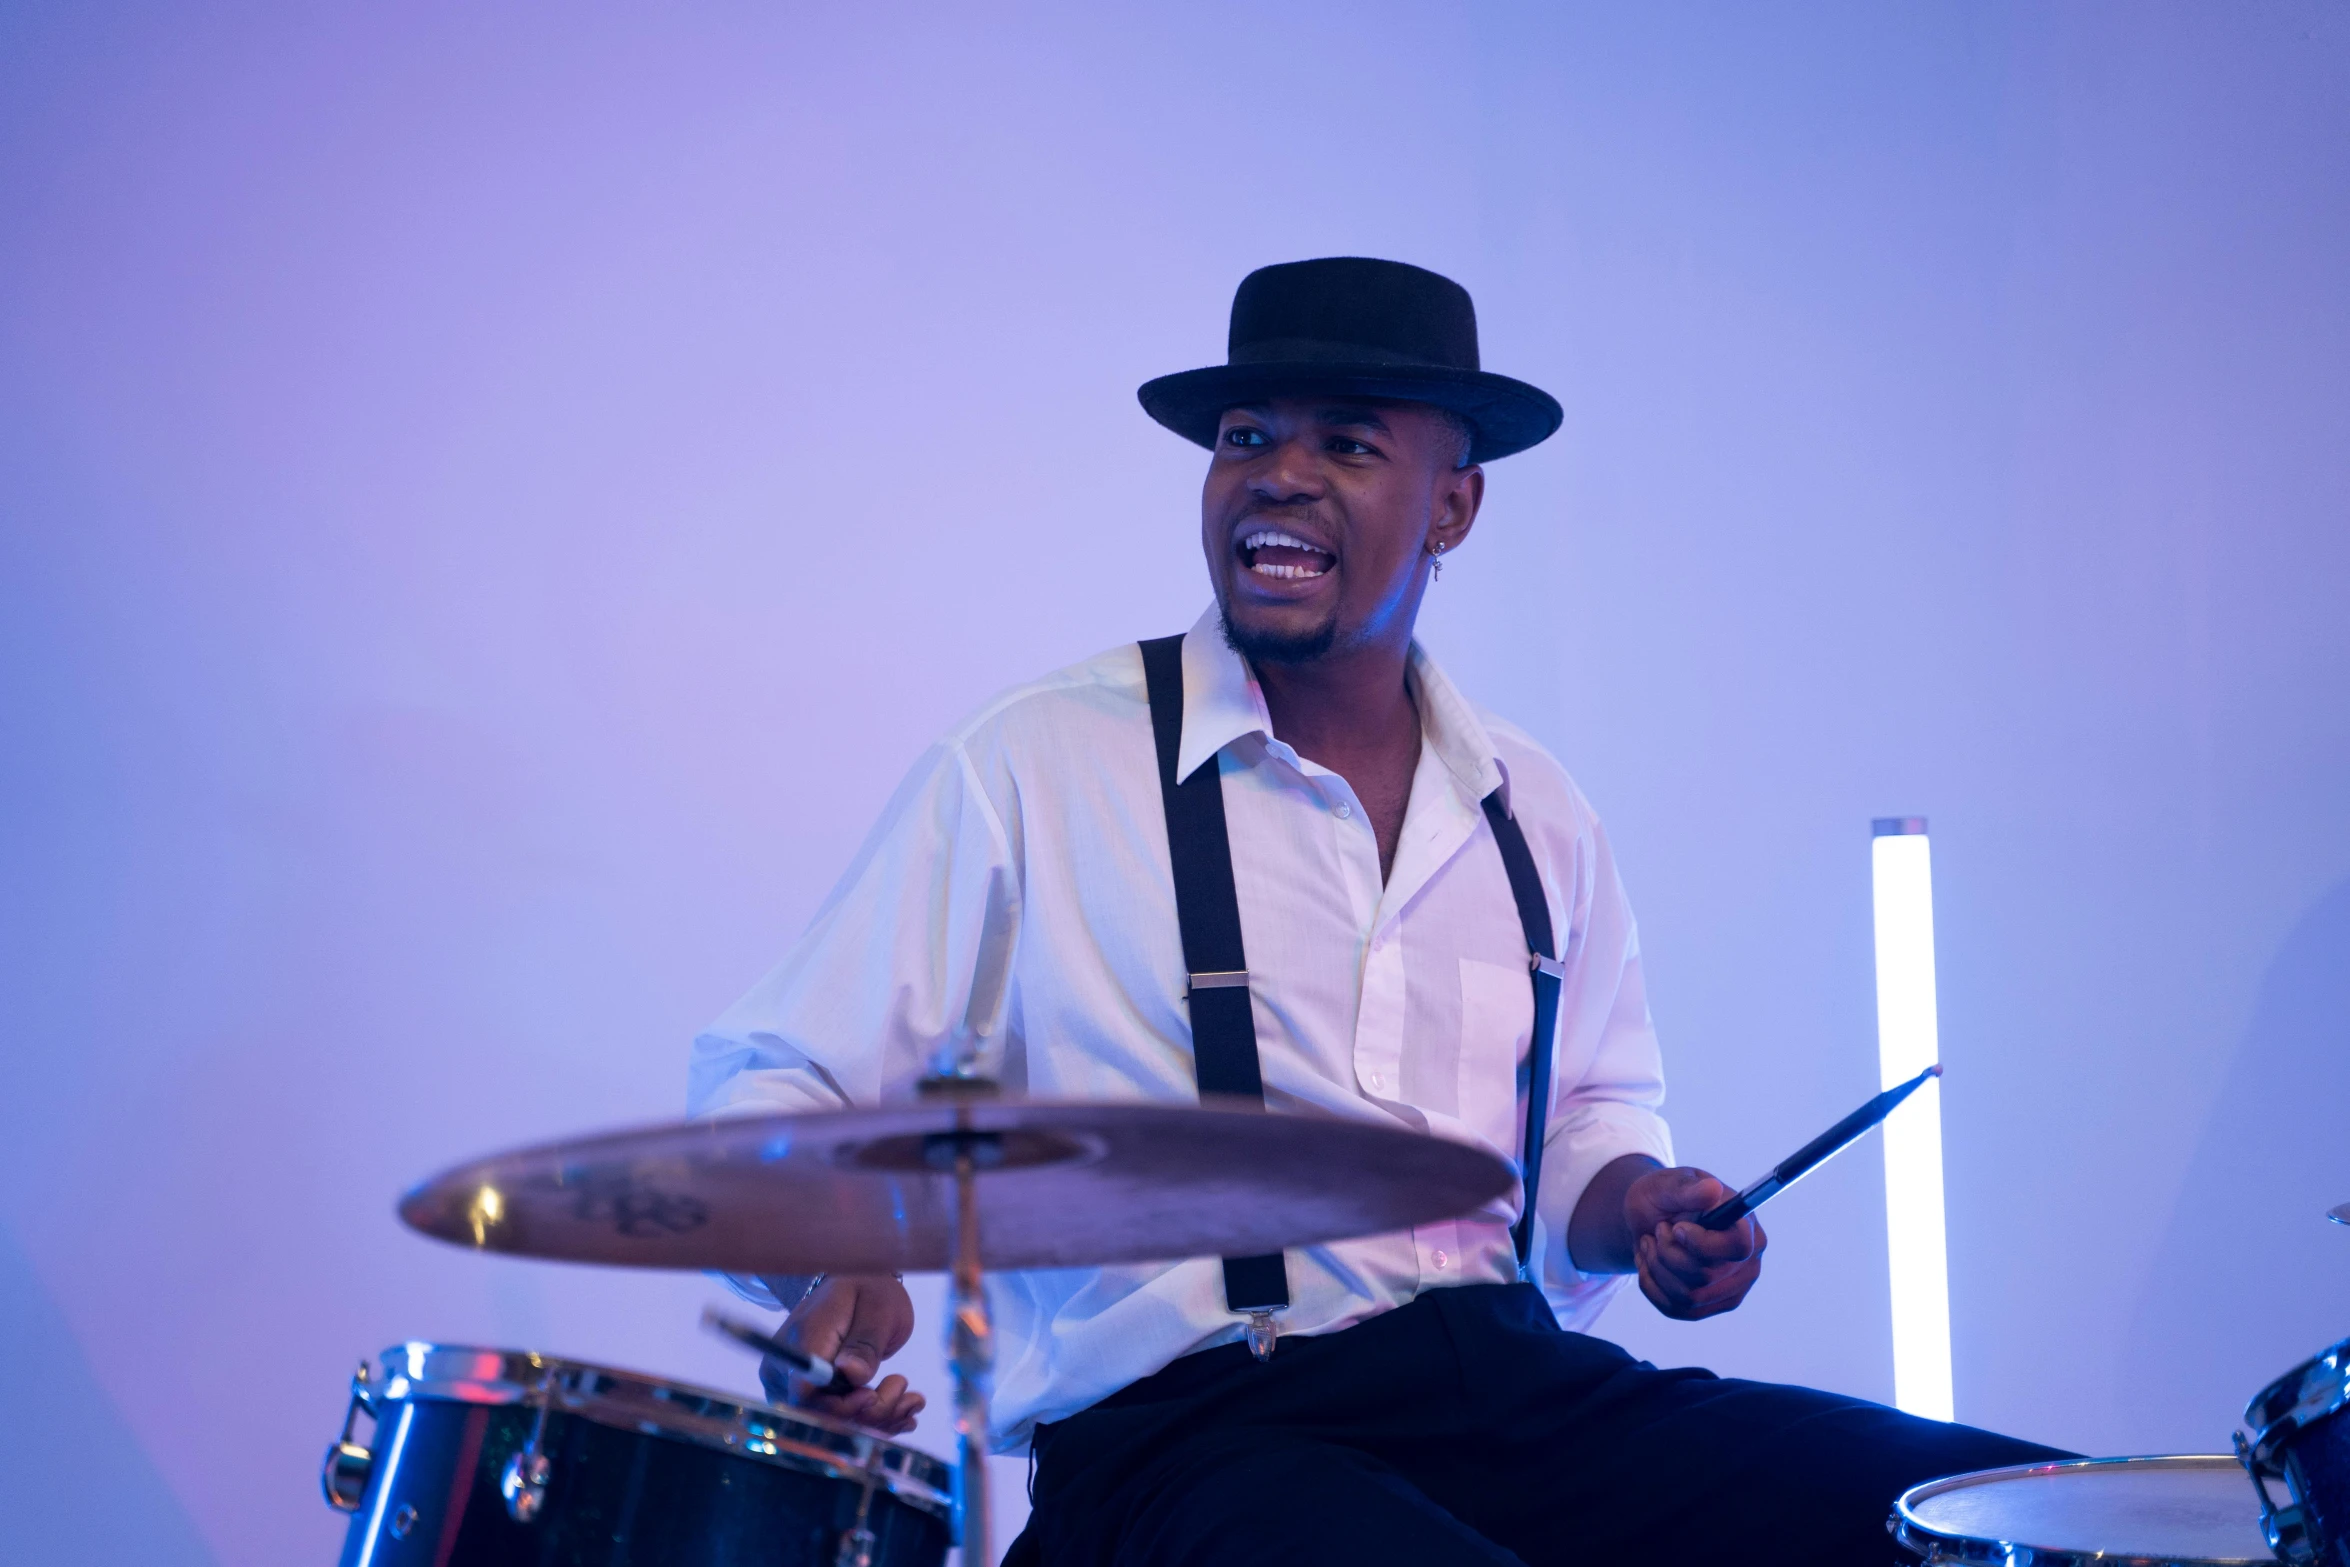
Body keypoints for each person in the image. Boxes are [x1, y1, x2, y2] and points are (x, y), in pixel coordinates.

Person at [687, 257, 2066, 1567]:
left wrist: (1638, 1204)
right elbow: (769, 1076)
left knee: (1999, 1515)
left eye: (1345, 442)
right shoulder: (1035, 766)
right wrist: (829, 1258)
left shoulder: (1532, 809)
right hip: (1190, 1441)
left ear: (1451, 506)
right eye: (1245, 435)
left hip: (1521, 1395)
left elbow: (1582, 1118)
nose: (1278, 475)